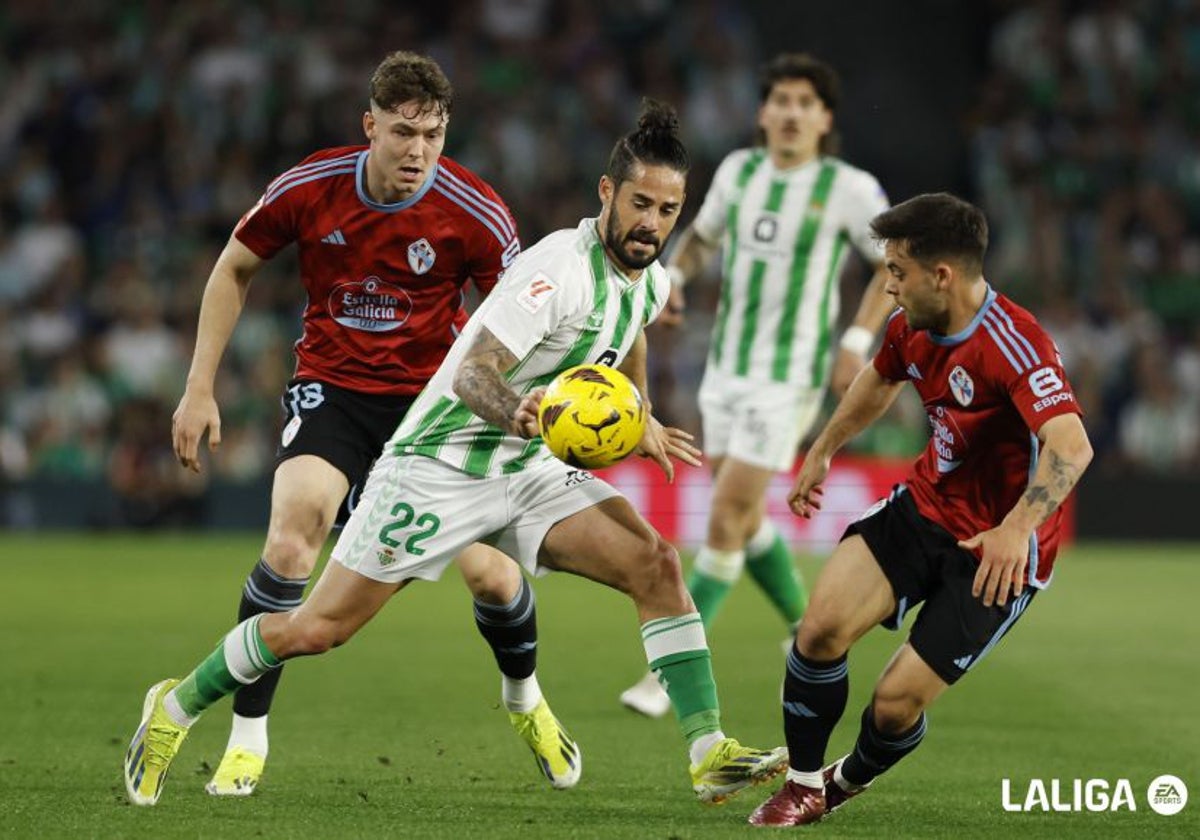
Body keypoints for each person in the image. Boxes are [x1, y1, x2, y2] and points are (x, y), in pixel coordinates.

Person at [124, 99, 788, 808]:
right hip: (439, 463)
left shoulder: (649, 278)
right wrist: (521, 409)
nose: (651, 224)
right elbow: (474, 372)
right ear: (606, 193)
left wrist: (642, 410)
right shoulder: (555, 271)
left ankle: (706, 749)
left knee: (656, 563)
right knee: (318, 629)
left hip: (522, 467)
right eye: (639, 204)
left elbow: (636, 327)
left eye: (667, 209)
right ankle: (173, 707)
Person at [168, 51, 570, 797]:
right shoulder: (311, 186)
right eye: (402, 132)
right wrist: (199, 389)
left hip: (438, 406)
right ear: (370, 126)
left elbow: (522, 319)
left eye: (433, 134)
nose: (418, 150)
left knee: (492, 576)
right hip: (335, 390)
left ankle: (526, 700)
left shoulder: (476, 211)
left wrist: (529, 403)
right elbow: (233, 267)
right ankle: (247, 738)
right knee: (293, 539)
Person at [747, 193, 1094, 826]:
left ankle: (845, 779)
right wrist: (824, 448)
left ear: (943, 275)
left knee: (893, 705)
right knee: (819, 629)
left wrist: (1016, 529)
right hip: (925, 506)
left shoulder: (1016, 344)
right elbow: (879, 378)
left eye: (898, 273)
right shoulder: (912, 324)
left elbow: (1072, 445)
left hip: (999, 549)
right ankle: (801, 785)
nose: (889, 287)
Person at [621, 53, 896, 718]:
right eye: (781, 100)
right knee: (741, 517)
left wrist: (857, 342)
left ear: (824, 117)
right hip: (726, 371)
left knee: (723, 519)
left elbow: (895, 263)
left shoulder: (850, 187)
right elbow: (699, 240)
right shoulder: (741, 172)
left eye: (806, 102)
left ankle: (671, 672)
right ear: (762, 113)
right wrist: (674, 280)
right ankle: (810, 633)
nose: (792, 112)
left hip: (790, 376)